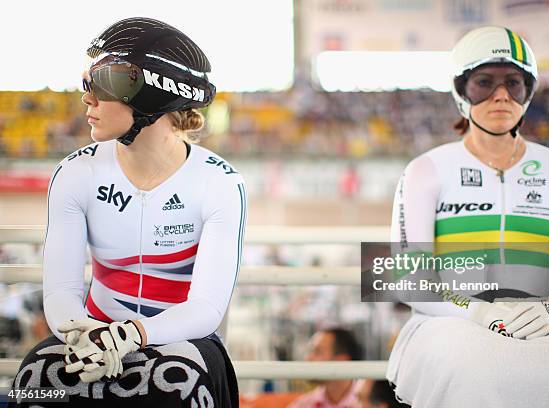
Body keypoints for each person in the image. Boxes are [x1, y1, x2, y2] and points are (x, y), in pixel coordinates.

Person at [10, 17, 246, 407]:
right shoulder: (74, 172)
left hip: (183, 339)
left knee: (180, 383)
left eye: (103, 84)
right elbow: (62, 292)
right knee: (34, 376)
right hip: (92, 335)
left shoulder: (220, 182)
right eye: (87, 83)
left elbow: (206, 307)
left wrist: (132, 334)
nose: (87, 98)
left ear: (151, 96)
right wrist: (84, 335)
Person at [386, 26, 549, 407]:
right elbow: (409, 278)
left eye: (514, 83)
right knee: (472, 372)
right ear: (461, 90)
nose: (501, 96)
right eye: (484, 83)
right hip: (452, 319)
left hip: (545, 315)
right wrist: (476, 312)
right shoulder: (424, 170)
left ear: (529, 92)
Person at [289, 327, 363, 407]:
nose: (308, 358)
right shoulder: (303, 405)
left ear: (342, 361)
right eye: (311, 351)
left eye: (317, 351)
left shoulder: (367, 403)